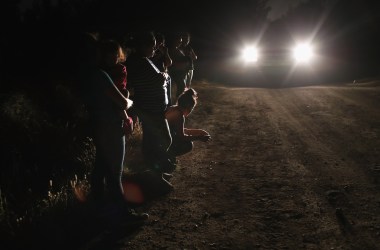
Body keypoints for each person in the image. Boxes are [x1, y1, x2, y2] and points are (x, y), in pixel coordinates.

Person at [73, 32, 148, 223]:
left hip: (98, 125)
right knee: (114, 173)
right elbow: (122, 103)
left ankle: (97, 209)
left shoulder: (85, 75)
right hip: (111, 128)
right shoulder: (101, 75)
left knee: (100, 168)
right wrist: (129, 101)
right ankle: (123, 215)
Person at [125, 31, 175, 174]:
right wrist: (164, 76)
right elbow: (159, 79)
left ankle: (154, 169)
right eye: (152, 47)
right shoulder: (140, 61)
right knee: (163, 139)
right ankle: (155, 169)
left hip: (151, 107)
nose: (154, 50)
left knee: (153, 141)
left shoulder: (140, 60)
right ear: (142, 46)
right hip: (151, 109)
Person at [165, 88, 211, 163]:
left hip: (157, 139)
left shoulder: (173, 108)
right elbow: (182, 136)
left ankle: (167, 158)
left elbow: (181, 130)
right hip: (161, 143)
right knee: (188, 145)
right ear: (189, 107)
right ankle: (167, 157)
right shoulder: (179, 115)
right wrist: (199, 137)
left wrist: (199, 132)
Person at [99, 39, 133, 136]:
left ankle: (126, 120)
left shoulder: (120, 69)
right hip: (113, 97)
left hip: (118, 94)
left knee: (124, 94)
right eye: (109, 58)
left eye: (115, 56)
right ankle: (126, 120)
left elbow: (119, 84)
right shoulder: (102, 71)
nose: (113, 60)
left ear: (118, 56)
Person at [151, 32, 173, 105]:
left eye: (161, 43)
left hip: (165, 76)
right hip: (155, 77)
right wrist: (160, 54)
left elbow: (169, 63)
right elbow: (150, 63)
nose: (160, 45)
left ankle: (169, 107)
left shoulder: (163, 51)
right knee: (160, 98)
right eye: (159, 43)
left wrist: (166, 53)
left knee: (168, 96)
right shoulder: (151, 51)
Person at [167, 32, 189, 99]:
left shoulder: (177, 49)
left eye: (181, 41)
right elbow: (170, 62)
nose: (180, 43)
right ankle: (177, 102)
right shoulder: (170, 50)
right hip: (175, 72)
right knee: (180, 87)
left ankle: (178, 101)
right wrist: (179, 65)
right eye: (179, 41)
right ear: (174, 41)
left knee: (182, 87)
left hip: (180, 72)